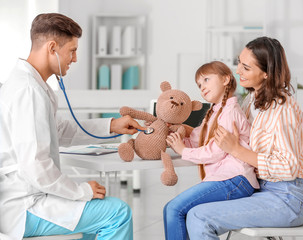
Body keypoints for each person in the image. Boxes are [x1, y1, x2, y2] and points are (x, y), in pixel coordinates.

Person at [0, 13, 146, 240]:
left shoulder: (29, 84)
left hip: (27, 198)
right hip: (26, 206)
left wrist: (112, 125)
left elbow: (59, 130)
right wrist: (80, 191)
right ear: (52, 48)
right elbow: (35, 166)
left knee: (99, 212)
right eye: (72, 50)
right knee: (117, 213)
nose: (75, 58)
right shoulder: (28, 91)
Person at [185, 37, 303, 239]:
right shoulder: (250, 102)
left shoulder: (284, 107)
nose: (237, 71)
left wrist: (237, 150)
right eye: (238, 63)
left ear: (266, 73)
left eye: (246, 67)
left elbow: (289, 167)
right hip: (259, 188)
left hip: (286, 198)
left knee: (199, 217)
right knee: (189, 210)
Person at [164, 61, 259, 240]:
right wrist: (177, 137)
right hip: (228, 179)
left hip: (236, 180)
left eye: (206, 80)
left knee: (174, 209)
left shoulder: (230, 112)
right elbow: (197, 140)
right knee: (176, 209)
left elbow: (216, 151)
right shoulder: (216, 112)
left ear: (225, 79)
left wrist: (183, 150)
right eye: (199, 85)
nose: (202, 87)